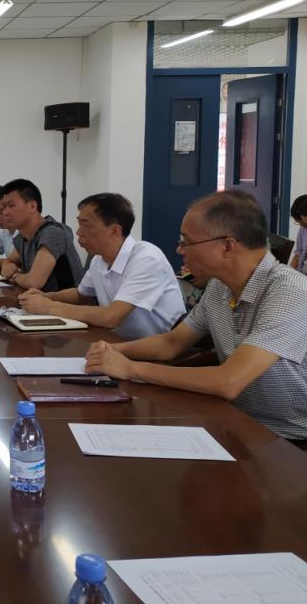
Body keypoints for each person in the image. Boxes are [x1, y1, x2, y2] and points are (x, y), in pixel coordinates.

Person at [85, 190, 307, 447]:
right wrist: (112, 350)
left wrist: (131, 368)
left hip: (291, 440)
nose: (179, 250)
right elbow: (171, 343)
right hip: (237, 422)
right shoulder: (219, 287)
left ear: (227, 246)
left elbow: (229, 381)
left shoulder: (291, 292)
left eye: (186, 242)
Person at [19, 193, 185, 339]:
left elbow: (111, 317)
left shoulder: (146, 258)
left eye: (86, 225)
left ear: (114, 230)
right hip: (118, 341)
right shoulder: (99, 260)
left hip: (158, 351)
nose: (78, 232)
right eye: (79, 224)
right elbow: (81, 295)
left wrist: (50, 307)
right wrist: (48, 296)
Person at [0, 178, 84, 292]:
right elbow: (9, 260)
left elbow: (34, 282)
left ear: (32, 206)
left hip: (65, 301)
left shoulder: (52, 233)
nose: (5, 212)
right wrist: (6, 265)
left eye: (11, 205)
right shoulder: (22, 237)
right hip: (41, 300)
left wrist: (14, 276)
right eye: (4, 207)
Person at [289, 194, 307, 274]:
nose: (302, 226)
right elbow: (298, 253)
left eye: (304, 223)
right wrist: (290, 274)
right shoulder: (303, 229)